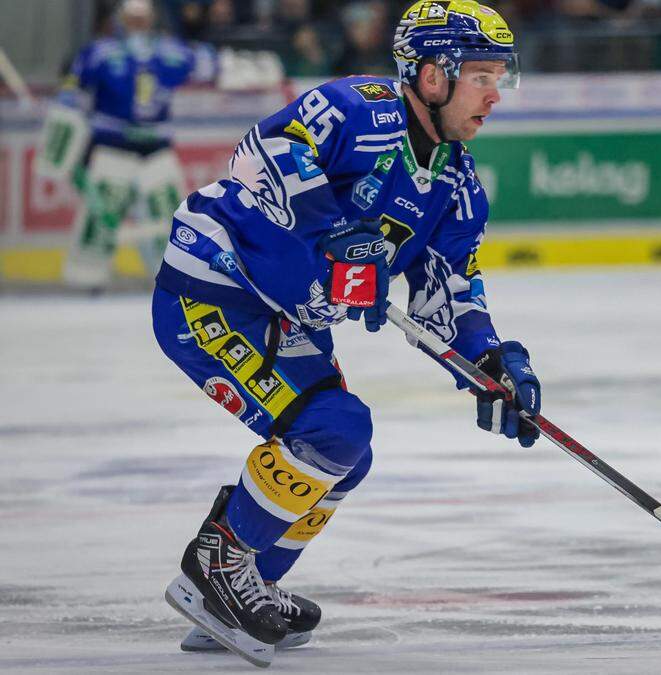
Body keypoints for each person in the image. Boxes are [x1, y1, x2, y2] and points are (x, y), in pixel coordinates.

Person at [152, 0, 539, 666]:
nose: (494, 94)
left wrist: (491, 361)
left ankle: (239, 581)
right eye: (480, 75)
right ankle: (222, 564)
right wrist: (330, 230)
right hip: (214, 290)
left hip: (287, 315)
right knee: (334, 431)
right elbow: (265, 153)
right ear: (430, 75)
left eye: (499, 76)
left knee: (344, 451)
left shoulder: (458, 187)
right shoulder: (358, 111)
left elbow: (451, 291)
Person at [43, 0, 216, 290]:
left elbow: (208, 64)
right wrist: (67, 100)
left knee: (169, 216)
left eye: (142, 18)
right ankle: (86, 279)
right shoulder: (99, 53)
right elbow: (73, 86)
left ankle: (174, 280)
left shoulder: (170, 50)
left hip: (157, 148)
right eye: (132, 18)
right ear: (121, 18)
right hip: (112, 148)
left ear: (151, 19)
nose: (137, 25)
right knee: (99, 221)